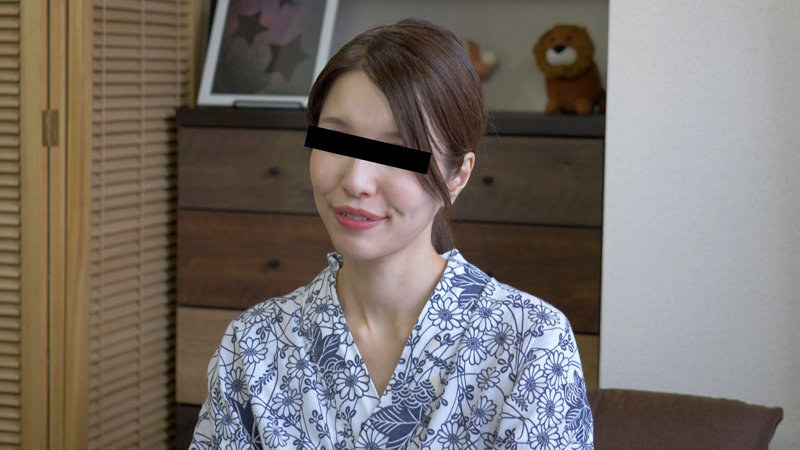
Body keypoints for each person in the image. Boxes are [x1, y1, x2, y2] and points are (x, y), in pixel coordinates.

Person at [191, 18, 594, 450]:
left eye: (397, 151)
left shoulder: (533, 343)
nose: (357, 180)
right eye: (336, 140)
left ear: (457, 175)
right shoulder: (251, 346)